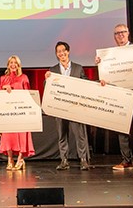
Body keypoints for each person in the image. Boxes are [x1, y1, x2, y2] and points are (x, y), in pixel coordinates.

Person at [97, 24, 133, 170]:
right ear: (114, 36)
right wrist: (101, 65)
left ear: (128, 33)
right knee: (121, 129)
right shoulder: (110, 55)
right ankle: (126, 160)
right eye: (117, 33)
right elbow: (108, 75)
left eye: (123, 32)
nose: (120, 35)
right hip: (121, 95)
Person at [45, 42, 91, 170]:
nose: (61, 53)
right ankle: (64, 161)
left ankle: (83, 160)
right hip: (60, 108)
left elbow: (86, 83)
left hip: (75, 107)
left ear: (68, 51)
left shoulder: (78, 68)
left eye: (63, 50)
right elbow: (47, 87)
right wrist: (46, 79)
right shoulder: (53, 70)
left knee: (80, 135)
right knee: (62, 135)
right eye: (58, 51)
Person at [0, 55, 35, 170]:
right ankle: (10, 159)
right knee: (9, 135)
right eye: (11, 63)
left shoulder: (24, 77)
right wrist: (4, 89)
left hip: (21, 112)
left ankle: (20, 159)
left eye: (15, 63)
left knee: (21, 135)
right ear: (8, 65)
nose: (13, 65)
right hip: (8, 112)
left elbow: (28, 94)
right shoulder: (3, 78)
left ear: (19, 65)